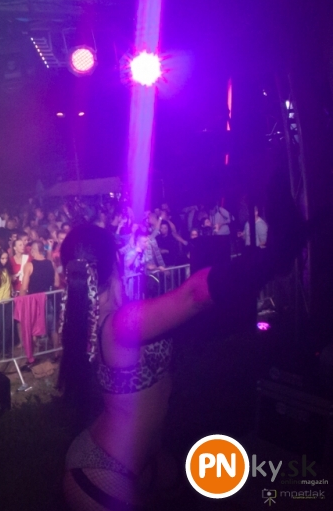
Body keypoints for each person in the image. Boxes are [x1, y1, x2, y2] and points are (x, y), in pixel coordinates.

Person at [59, 186, 302, 510]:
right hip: (103, 472)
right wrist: (273, 258)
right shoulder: (121, 324)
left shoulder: (93, 321)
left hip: (144, 458)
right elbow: (193, 294)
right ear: (116, 261)